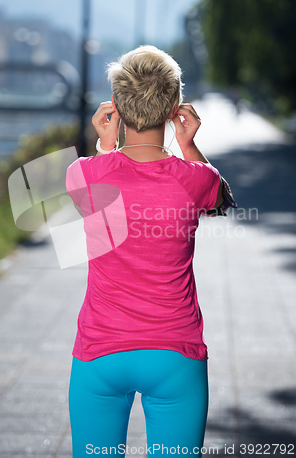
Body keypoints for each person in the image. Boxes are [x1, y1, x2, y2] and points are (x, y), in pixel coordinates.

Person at [66, 45, 236, 457]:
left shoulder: (84, 173)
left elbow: (103, 200)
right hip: (175, 354)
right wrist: (189, 145)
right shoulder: (194, 180)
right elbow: (221, 203)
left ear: (117, 107)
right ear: (174, 107)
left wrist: (105, 148)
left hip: (100, 354)